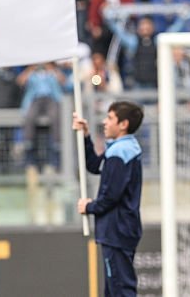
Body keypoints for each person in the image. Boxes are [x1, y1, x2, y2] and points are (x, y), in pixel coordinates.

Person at [74, 101, 144, 297]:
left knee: (120, 289)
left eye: (110, 118)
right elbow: (94, 165)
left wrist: (89, 207)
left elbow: (111, 196)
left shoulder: (120, 153)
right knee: (114, 290)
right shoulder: (122, 148)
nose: (104, 122)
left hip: (117, 230)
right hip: (120, 229)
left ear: (123, 124)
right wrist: (85, 136)